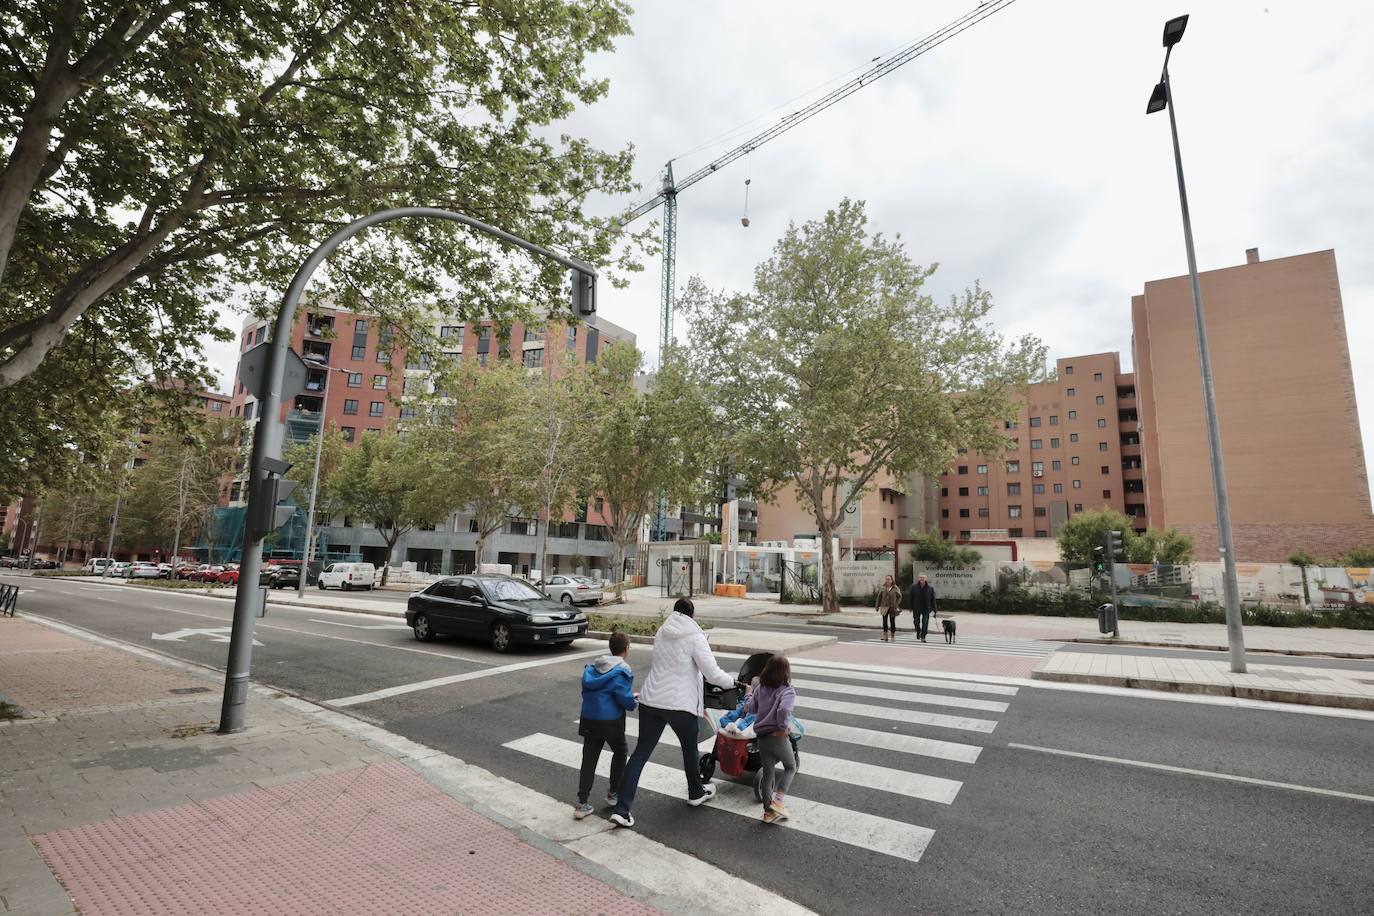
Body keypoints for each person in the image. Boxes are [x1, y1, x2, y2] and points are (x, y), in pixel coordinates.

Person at [609, 597, 735, 829]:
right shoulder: (695, 636)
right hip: (680, 704)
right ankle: (696, 792)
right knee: (689, 749)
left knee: (639, 754)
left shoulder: (662, 632)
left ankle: (622, 809)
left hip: (652, 700)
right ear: (692, 615)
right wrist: (733, 682)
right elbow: (713, 674)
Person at [574, 631, 637, 820]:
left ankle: (581, 804)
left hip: (589, 718)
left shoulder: (593, 668)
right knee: (620, 751)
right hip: (610, 721)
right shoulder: (622, 670)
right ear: (626, 650)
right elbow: (624, 699)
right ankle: (613, 793)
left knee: (589, 758)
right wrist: (633, 702)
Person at [743, 654, 797, 824]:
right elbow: (783, 710)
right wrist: (783, 728)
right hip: (777, 736)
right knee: (790, 767)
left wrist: (748, 694)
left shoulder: (761, 688)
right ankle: (778, 801)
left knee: (768, 773)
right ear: (786, 672)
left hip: (762, 737)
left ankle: (768, 812)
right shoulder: (787, 690)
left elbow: (749, 708)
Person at [907, 573, 938, 643]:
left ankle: (923, 636)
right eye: (921, 577)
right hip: (916, 608)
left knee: (925, 622)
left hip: (926, 608)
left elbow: (933, 599)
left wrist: (935, 609)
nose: (922, 579)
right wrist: (910, 607)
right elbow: (910, 598)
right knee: (916, 622)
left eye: (923, 578)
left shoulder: (930, 588)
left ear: (925, 579)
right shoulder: (913, 587)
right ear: (919, 578)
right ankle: (918, 631)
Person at [875, 574, 902, 642]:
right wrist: (877, 606)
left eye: (889, 579)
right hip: (884, 606)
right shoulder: (883, 588)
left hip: (893, 607)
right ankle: (885, 635)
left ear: (892, 580)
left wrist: (897, 603)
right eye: (886, 579)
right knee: (884, 621)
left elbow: (900, 596)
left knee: (892, 621)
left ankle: (892, 636)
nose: (887, 580)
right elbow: (879, 597)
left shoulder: (895, 588)